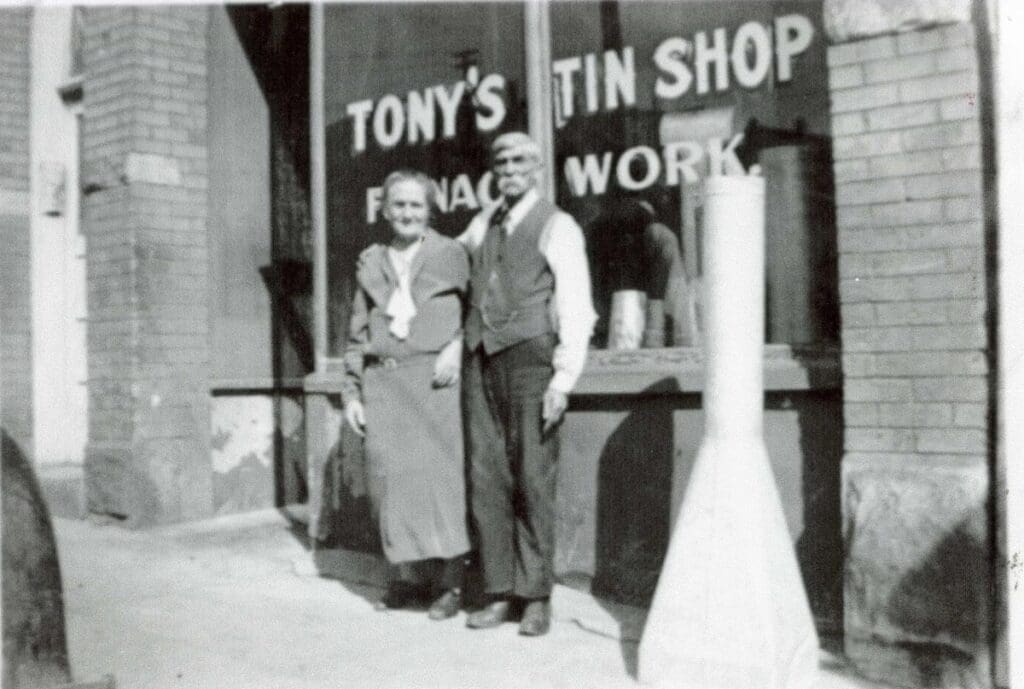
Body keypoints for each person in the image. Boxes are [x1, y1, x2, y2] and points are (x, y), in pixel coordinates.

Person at [459, 132, 596, 636]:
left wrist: (564, 378)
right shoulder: (483, 224)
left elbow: (578, 306)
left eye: (520, 160)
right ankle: (498, 591)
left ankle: (534, 595)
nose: (510, 168)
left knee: (533, 478)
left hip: (532, 362)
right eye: (501, 161)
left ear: (537, 168)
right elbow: (456, 263)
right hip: (482, 361)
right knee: (486, 476)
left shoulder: (558, 225)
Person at [341, 169, 470, 620]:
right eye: (399, 204)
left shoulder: (450, 254)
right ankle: (406, 577)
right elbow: (356, 333)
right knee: (390, 484)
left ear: (429, 210)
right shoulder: (371, 261)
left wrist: (456, 347)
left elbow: (476, 315)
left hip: (435, 384)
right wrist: (352, 392)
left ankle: (451, 584)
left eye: (416, 205)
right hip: (385, 385)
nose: (407, 213)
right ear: (385, 209)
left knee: (440, 482)